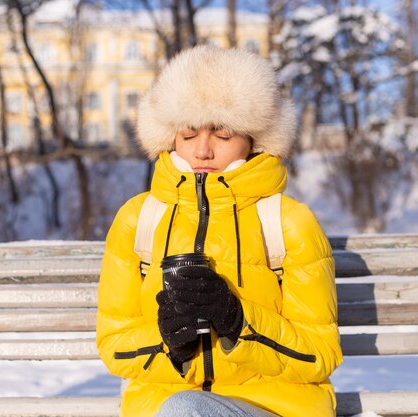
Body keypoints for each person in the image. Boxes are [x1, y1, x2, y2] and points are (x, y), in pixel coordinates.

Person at [96, 45, 342, 417]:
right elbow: (114, 346)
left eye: (223, 135)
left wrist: (237, 323)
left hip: (273, 406)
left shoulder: (288, 223)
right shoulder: (139, 219)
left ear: (255, 138)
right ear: (170, 135)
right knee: (183, 408)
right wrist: (168, 345)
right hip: (166, 407)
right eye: (189, 134)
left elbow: (319, 355)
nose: (203, 152)